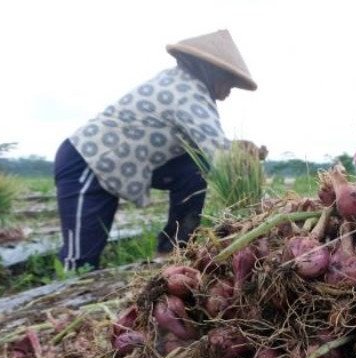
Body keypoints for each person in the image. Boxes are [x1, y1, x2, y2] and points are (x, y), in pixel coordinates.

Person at [54, 29, 260, 271]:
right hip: (89, 159)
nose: (227, 94)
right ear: (211, 71)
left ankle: (172, 248)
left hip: (123, 163)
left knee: (195, 167)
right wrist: (255, 209)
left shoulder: (184, 85)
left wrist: (241, 150)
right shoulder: (187, 92)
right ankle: (65, 299)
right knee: (81, 260)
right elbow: (220, 153)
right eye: (229, 83)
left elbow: (210, 147)